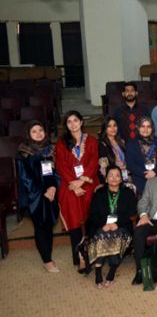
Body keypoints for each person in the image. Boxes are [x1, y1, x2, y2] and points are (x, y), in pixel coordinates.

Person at [55, 110, 99, 273]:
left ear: (81, 122)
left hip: (89, 182)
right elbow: (61, 166)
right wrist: (74, 184)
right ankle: (80, 256)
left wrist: (82, 180)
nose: (73, 124)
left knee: (92, 216)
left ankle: (94, 254)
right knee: (74, 218)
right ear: (66, 125)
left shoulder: (92, 141)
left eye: (75, 120)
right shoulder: (61, 143)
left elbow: (94, 162)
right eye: (69, 122)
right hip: (70, 185)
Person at [16, 120, 60, 272]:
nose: (38, 133)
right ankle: (47, 260)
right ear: (28, 134)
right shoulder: (24, 153)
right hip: (33, 196)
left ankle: (48, 255)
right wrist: (43, 191)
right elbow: (26, 179)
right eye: (34, 131)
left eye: (40, 129)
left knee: (48, 226)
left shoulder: (49, 150)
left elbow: (52, 173)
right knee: (40, 227)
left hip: (50, 193)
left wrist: (53, 187)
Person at [86, 166, 136, 289]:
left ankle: (112, 271)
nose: (114, 178)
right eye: (111, 175)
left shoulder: (128, 193)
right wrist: (105, 225)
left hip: (122, 226)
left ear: (121, 178)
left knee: (116, 235)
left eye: (117, 175)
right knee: (102, 234)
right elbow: (93, 214)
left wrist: (116, 224)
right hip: (102, 225)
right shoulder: (99, 193)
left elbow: (132, 212)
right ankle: (98, 271)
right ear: (106, 179)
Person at [125, 117, 157, 197]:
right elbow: (130, 164)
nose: (145, 129)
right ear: (138, 128)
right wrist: (145, 173)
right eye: (142, 126)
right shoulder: (131, 143)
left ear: (152, 128)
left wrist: (155, 171)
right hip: (140, 181)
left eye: (148, 127)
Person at [97, 116, 130, 187]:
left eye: (114, 125)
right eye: (109, 126)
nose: (113, 128)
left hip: (124, 176)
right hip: (112, 180)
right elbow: (103, 168)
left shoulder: (121, 142)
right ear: (105, 129)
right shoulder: (102, 145)